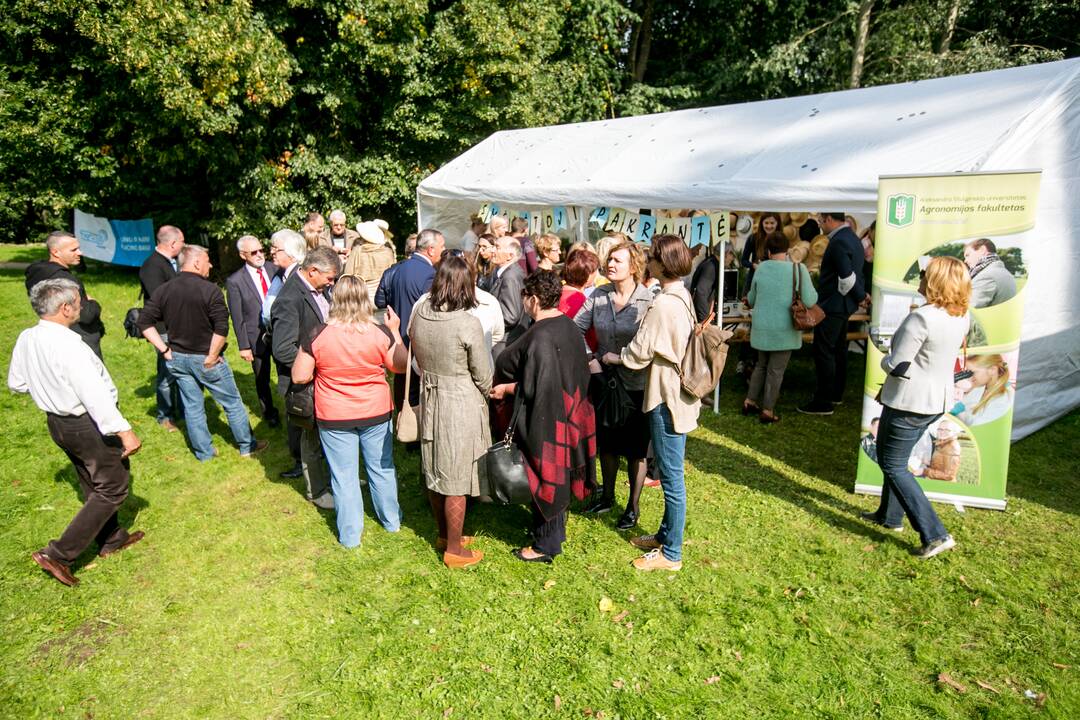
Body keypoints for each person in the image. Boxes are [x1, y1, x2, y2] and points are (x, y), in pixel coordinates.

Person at [9, 279, 144, 586]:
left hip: (58, 423)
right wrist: (124, 432)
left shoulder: (28, 337)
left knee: (91, 479)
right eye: (79, 302)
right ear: (66, 307)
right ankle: (58, 554)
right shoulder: (70, 345)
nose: (83, 306)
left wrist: (49, 389)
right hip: (86, 423)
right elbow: (94, 395)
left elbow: (17, 383)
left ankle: (112, 539)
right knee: (113, 486)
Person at [860, 256, 970, 558]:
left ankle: (935, 534)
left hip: (911, 400)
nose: (920, 277)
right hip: (935, 400)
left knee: (893, 464)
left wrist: (884, 355)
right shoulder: (960, 316)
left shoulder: (922, 317)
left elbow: (897, 365)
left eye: (925, 273)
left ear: (935, 281)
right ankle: (889, 516)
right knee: (892, 457)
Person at [603, 235, 698, 572]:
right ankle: (664, 535)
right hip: (677, 393)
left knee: (671, 478)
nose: (649, 261)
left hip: (666, 395)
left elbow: (639, 352)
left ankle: (671, 554)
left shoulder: (663, 303)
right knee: (672, 473)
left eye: (653, 257)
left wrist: (614, 356)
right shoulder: (681, 295)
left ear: (662, 262)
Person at [290, 276, 407, 548]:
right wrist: (396, 330)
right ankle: (391, 521)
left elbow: (299, 376)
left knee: (343, 476)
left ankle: (350, 535)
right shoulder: (380, 332)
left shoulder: (318, 334)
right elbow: (399, 366)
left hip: (334, 415)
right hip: (375, 412)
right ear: (364, 299)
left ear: (334, 299)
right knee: (381, 467)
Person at [493, 270, 596, 563]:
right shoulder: (566, 325)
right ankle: (552, 533)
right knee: (558, 475)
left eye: (526, 297)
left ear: (534, 299)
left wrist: (506, 388)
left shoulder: (540, 336)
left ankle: (544, 546)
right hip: (569, 412)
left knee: (547, 475)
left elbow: (538, 384)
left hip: (547, 417)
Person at [138, 245, 268, 461]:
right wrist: (212, 356)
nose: (210, 265)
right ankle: (248, 446)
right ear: (197, 262)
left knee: (192, 406)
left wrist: (165, 350)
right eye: (208, 260)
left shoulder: (164, 290)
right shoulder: (211, 290)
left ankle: (204, 453)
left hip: (177, 358)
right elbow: (221, 328)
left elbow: (143, 321)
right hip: (206, 359)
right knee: (232, 403)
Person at [409, 256, 493, 568]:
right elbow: (483, 373)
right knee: (456, 476)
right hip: (459, 400)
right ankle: (455, 551)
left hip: (430, 394)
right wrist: (487, 390)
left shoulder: (420, 311)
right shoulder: (467, 322)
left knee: (434, 467)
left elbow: (415, 350)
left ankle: (445, 535)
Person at [573, 241, 653, 529]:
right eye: (609, 259)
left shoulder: (648, 300)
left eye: (617, 260)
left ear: (634, 266)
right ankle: (606, 497)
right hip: (603, 381)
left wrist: (620, 358)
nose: (610, 264)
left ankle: (632, 507)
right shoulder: (599, 294)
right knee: (606, 443)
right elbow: (575, 327)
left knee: (635, 449)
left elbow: (649, 345)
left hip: (636, 383)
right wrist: (589, 358)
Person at [271, 246, 341, 507]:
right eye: (329, 278)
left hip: (321, 377)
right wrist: (316, 366)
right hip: (305, 382)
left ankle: (337, 478)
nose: (331, 283)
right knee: (311, 438)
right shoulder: (289, 299)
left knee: (330, 434)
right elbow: (282, 349)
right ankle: (317, 492)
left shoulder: (317, 288)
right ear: (313, 271)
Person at [743, 232, 818, 423]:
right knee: (775, 371)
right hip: (784, 330)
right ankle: (768, 410)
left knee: (761, 365)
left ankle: (750, 400)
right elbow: (810, 300)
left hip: (762, 327)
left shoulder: (761, 269)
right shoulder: (798, 269)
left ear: (768, 251)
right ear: (787, 250)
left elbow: (751, 299)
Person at [798, 212, 867, 415]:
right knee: (838, 350)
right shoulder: (853, 238)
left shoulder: (838, 242)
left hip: (833, 305)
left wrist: (861, 296)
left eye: (820, 221)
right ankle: (835, 394)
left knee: (824, 351)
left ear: (829, 219)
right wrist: (860, 297)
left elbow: (847, 276)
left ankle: (823, 401)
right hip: (844, 305)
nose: (820, 226)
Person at [380, 228, 444, 411]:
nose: (443, 249)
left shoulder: (396, 269)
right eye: (442, 246)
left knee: (402, 385)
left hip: (398, 338)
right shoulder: (430, 274)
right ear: (431, 249)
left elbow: (383, 299)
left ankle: (403, 419)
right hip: (418, 341)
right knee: (417, 394)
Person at [263, 229, 308, 479]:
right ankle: (302, 459)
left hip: (298, 363)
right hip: (296, 358)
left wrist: (307, 364)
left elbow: (284, 346)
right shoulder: (284, 277)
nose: (271, 252)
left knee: (299, 415)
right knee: (298, 416)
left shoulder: (294, 283)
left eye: (275, 249)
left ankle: (303, 461)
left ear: (290, 253)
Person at [226, 235, 280, 428]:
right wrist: (244, 346)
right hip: (256, 336)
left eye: (261, 250)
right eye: (253, 252)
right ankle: (269, 412)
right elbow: (237, 316)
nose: (259, 255)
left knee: (285, 371)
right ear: (243, 255)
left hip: (280, 332)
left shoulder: (275, 270)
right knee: (262, 377)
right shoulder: (235, 281)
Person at [24, 231, 106, 359]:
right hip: (81, 341)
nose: (80, 253)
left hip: (51, 337)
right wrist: (93, 302)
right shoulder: (65, 280)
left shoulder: (38, 274)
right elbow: (87, 315)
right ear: (56, 252)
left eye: (78, 248)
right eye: (73, 250)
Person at [139, 225, 185, 432]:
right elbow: (160, 297)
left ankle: (183, 411)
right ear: (173, 243)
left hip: (179, 325)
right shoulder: (152, 266)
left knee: (181, 371)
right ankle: (165, 415)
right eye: (182, 242)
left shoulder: (172, 262)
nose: (183, 246)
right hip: (163, 328)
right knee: (167, 373)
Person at [342, 220, 396, 303]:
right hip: (384, 297)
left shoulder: (357, 251)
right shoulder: (388, 252)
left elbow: (348, 275)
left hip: (361, 297)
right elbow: (393, 276)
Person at [952, 353, 1012, 426]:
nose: (970, 377)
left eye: (973, 372)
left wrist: (959, 413)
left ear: (992, 370)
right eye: (968, 372)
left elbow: (979, 428)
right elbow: (969, 415)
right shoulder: (980, 387)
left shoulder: (1002, 400)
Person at [489, 236, 528, 347]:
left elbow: (510, 316)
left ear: (510, 256)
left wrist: (486, 321)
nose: (492, 250)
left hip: (505, 342)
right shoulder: (507, 273)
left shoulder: (510, 277)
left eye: (497, 247)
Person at [558, 248, 599, 351]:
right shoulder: (582, 302)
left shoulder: (558, 292)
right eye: (595, 270)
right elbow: (590, 338)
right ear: (588, 275)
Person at [964, 238, 1016, 308]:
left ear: (982, 250)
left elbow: (969, 311)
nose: (965, 261)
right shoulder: (1006, 273)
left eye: (967, 255)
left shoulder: (986, 276)